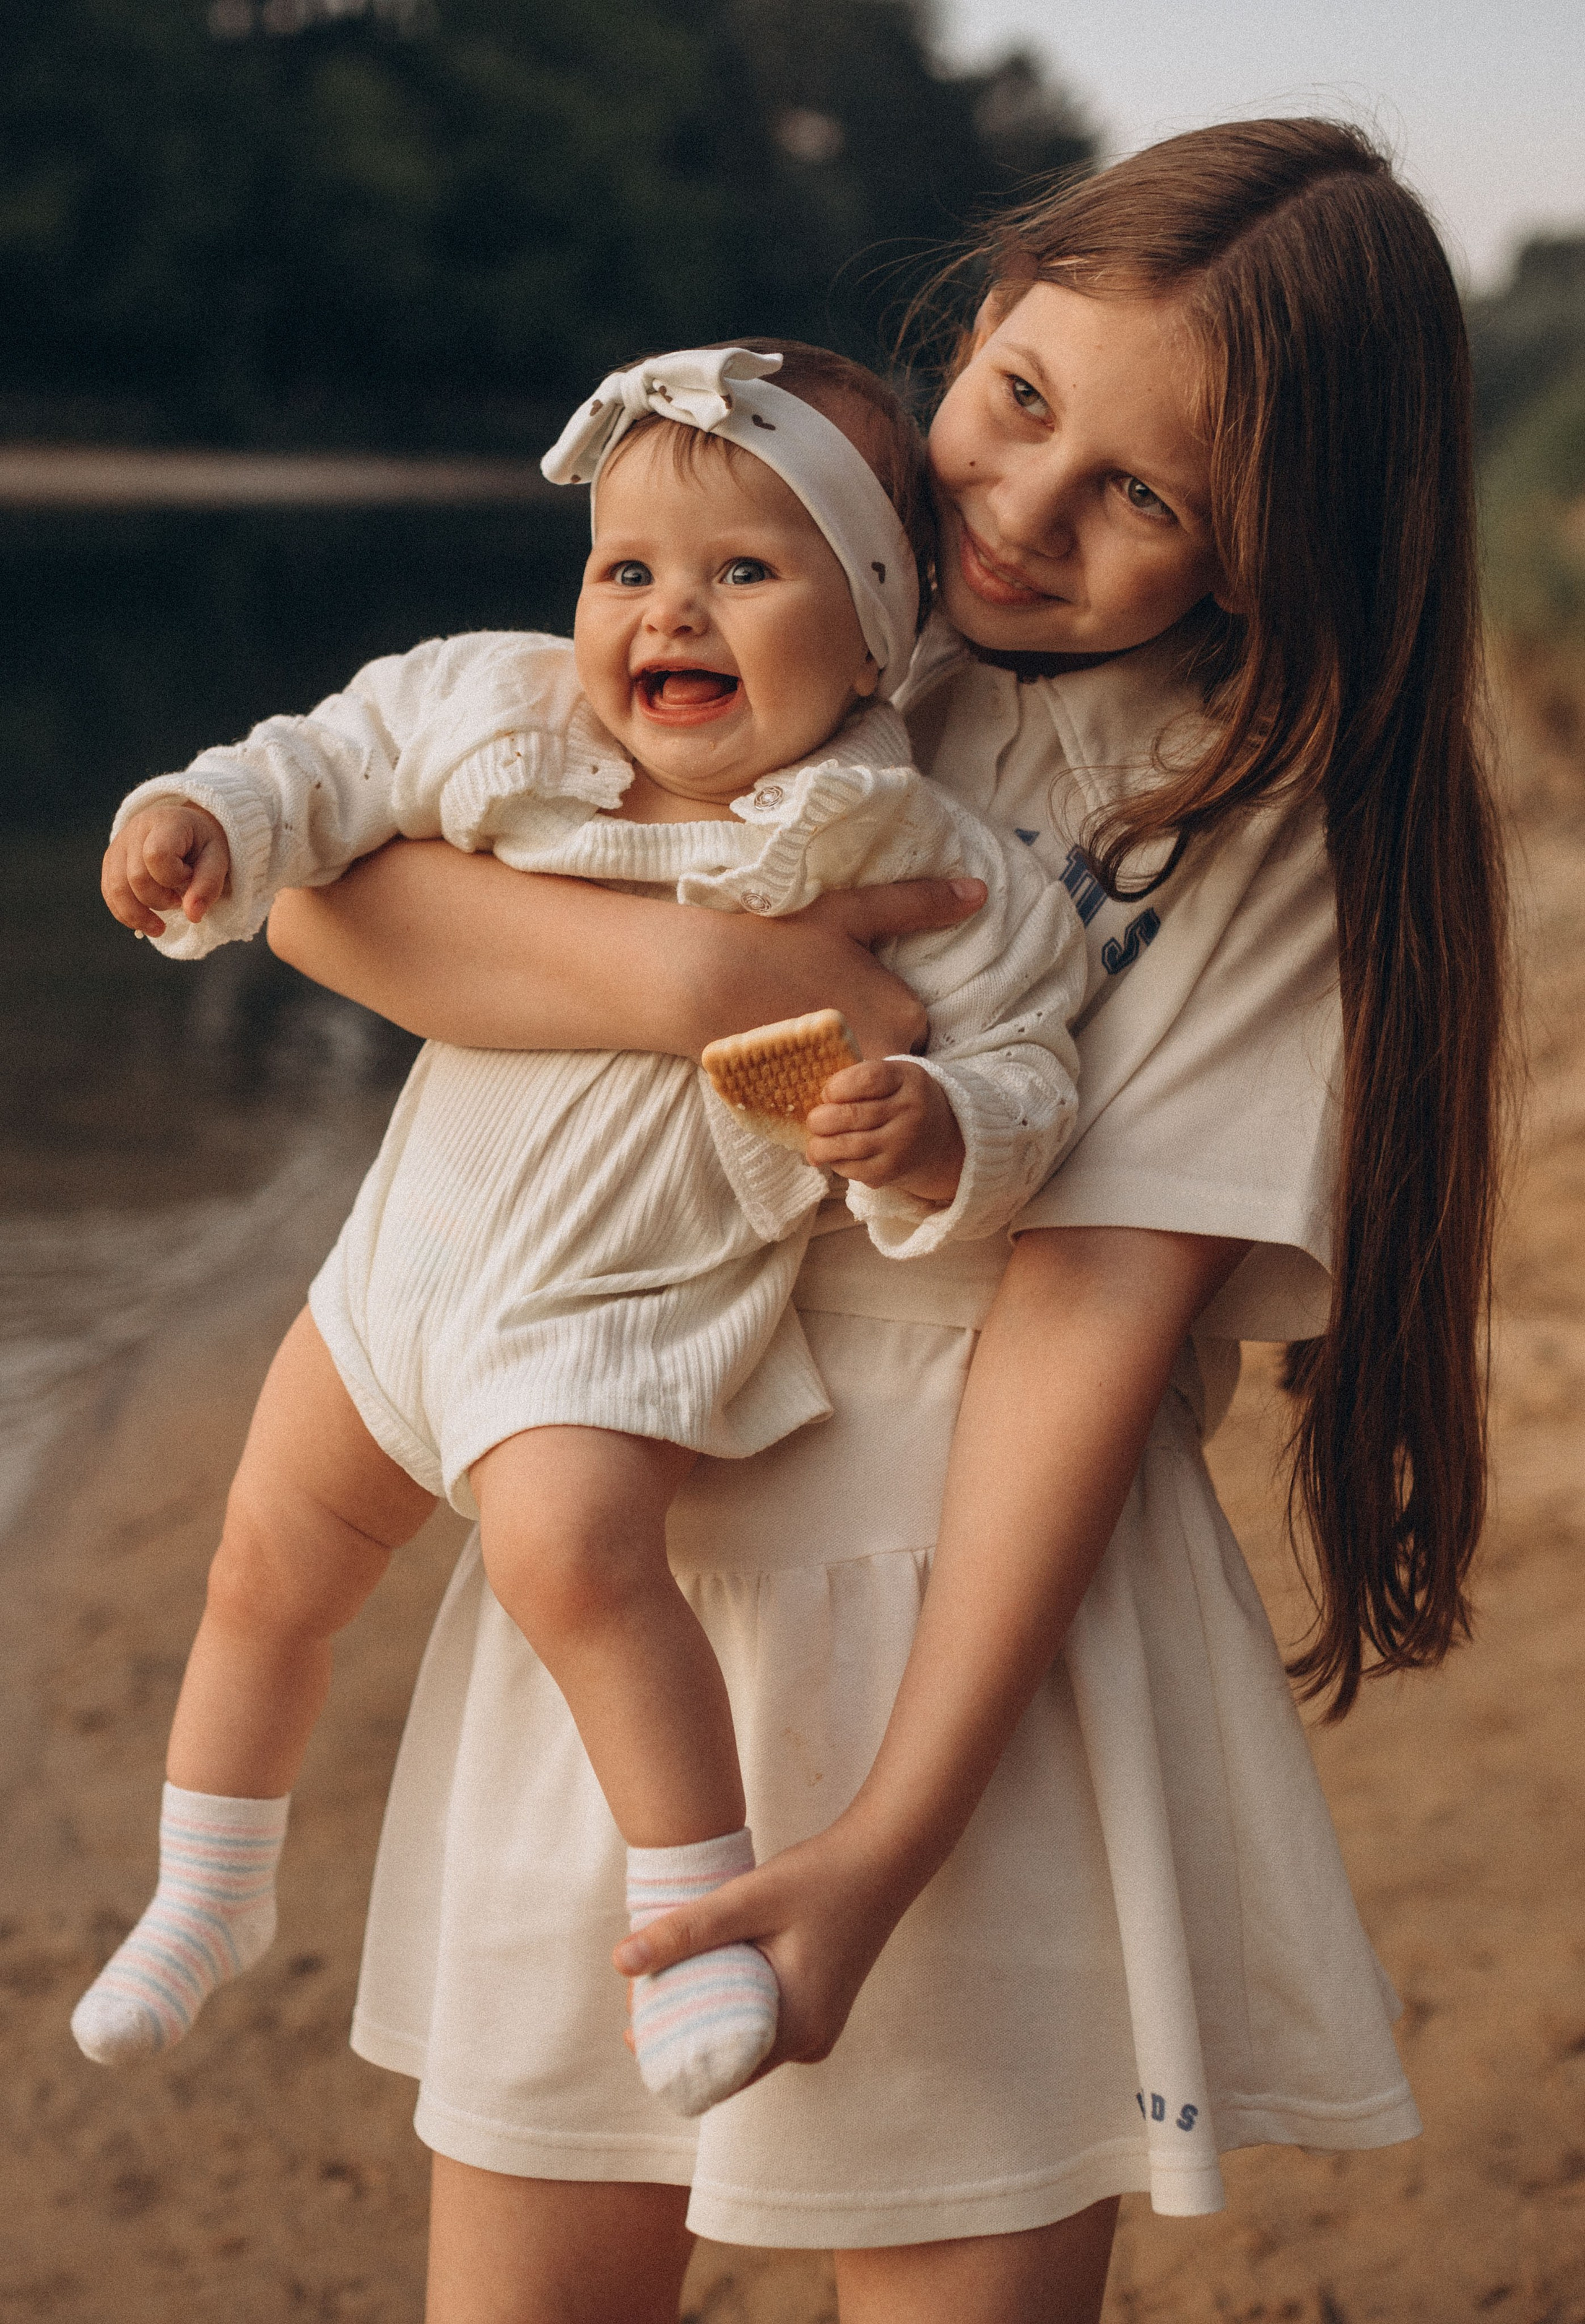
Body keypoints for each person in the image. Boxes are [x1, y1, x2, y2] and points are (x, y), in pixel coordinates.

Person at [251, 120, 1506, 2323]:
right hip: (627, 1564)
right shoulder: (783, 579)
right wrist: (716, 979)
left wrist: (887, 1843)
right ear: (985, 311)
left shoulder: (1236, 810)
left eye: (1145, 497)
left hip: (972, 1672)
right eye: (1018, 399)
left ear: (1270, 546)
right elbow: (326, 897)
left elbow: (1082, 1326)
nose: (1021, 510)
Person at [77, 342, 1090, 2117]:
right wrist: (199, 816)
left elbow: (1030, 1060)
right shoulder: (500, 712)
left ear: (875, 636)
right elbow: (322, 763)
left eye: (743, 571)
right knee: (261, 1565)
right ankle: (211, 1882)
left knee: (573, 1562)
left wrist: (942, 1128)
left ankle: (693, 1916)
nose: (666, 612)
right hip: (395, 1284)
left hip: (612, 1317)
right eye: (627, 567)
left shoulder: (915, 854)